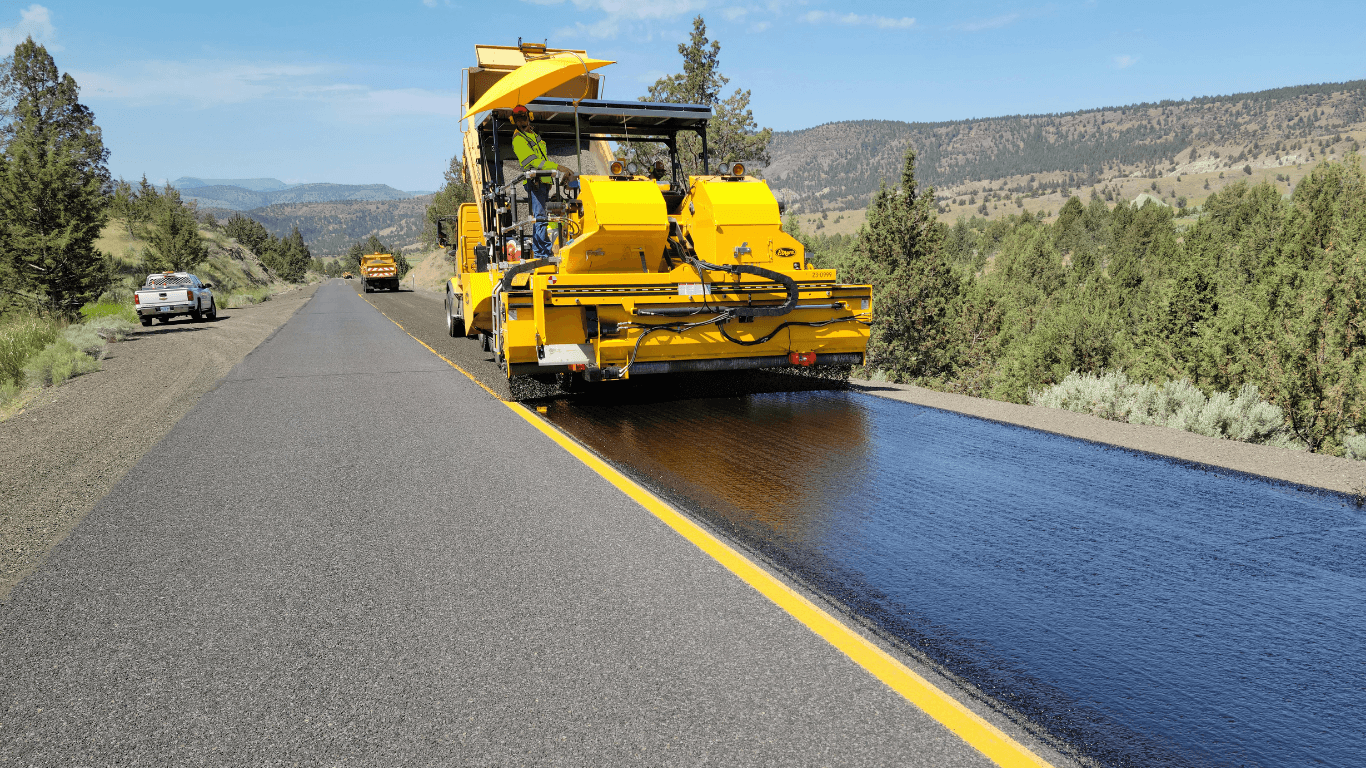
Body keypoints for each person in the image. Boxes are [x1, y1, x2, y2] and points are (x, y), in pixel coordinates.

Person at [510, 104, 577, 258]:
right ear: (514, 121)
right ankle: (543, 254)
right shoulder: (519, 139)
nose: (522, 121)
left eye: (524, 117)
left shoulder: (533, 135)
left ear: (529, 117)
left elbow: (542, 158)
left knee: (542, 218)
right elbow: (534, 162)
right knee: (540, 218)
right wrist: (558, 167)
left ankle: (542, 252)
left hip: (544, 182)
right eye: (519, 119)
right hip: (535, 183)